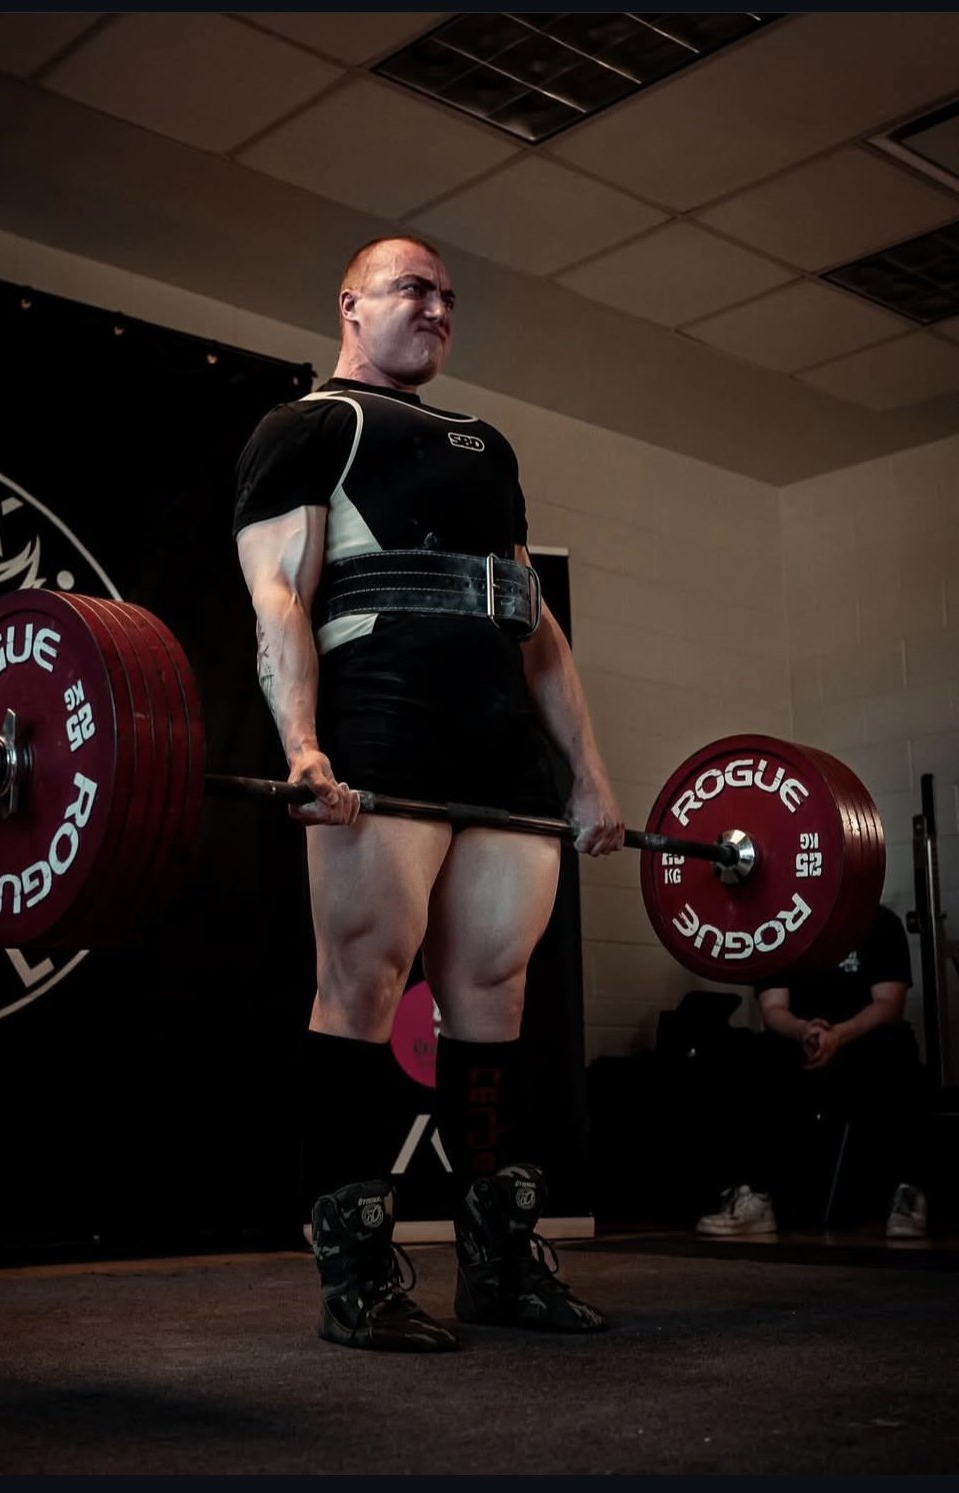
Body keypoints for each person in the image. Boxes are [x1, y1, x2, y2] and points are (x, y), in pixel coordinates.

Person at [233, 235, 624, 1353]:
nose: (439, 307)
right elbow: (279, 594)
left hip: (500, 752)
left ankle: (497, 1264)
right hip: (382, 730)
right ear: (350, 303)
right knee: (361, 986)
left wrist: (589, 775)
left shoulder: (487, 444)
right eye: (414, 288)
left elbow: (535, 624)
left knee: (494, 993)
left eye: (449, 295)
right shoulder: (309, 425)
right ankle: (355, 1274)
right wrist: (304, 745)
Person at [694, 902, 932, 1240]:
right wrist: (804, 1031)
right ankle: (755, 1197)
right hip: (802, 1041)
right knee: (746, 1055)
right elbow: (773, 1009)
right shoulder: (778, 927)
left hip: (861, 1040)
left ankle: (908, 1194)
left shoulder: (880, 921)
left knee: (899, 1049)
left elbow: (889, 1004)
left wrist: (840, 1035)